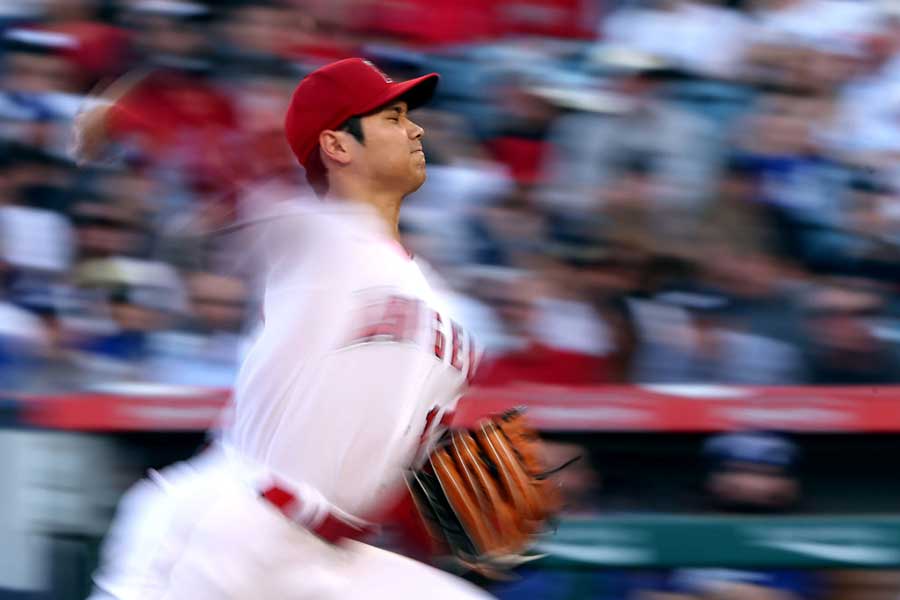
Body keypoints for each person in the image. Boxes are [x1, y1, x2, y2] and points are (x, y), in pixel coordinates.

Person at [82, 58, 492, 599]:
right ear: (338, 146)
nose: (415, 128)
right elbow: (223, 169)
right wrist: (131, 117)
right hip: (234, 526)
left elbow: (396, 457)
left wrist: (447, 536)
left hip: (330, 558)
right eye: (392, 118)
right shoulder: (314, 236)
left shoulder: (454, 310)